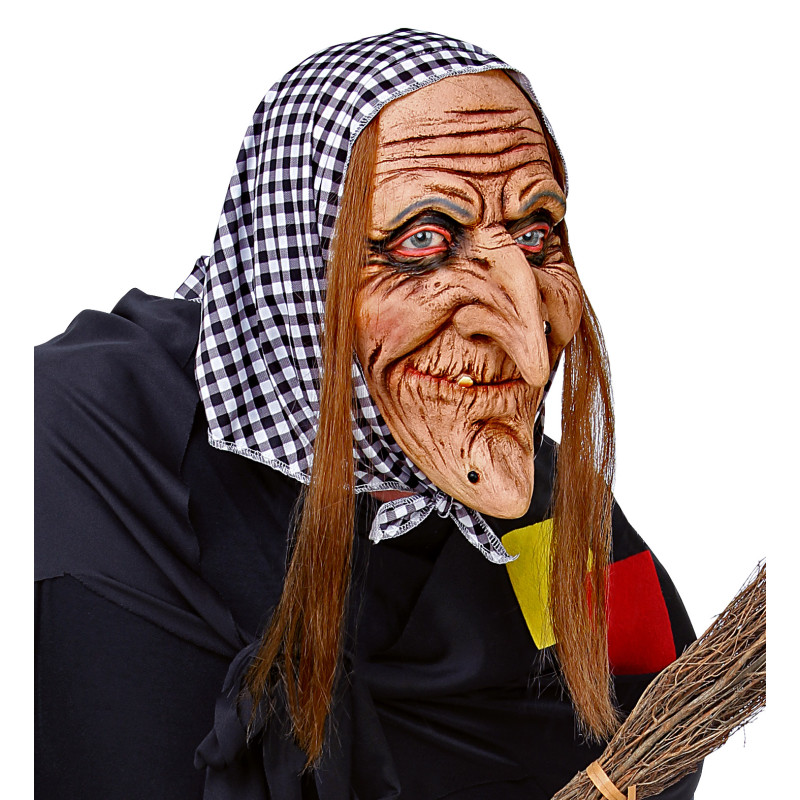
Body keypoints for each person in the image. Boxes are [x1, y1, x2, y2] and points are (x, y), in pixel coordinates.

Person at [35, 29, 701, 799]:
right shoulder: (82, 449)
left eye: (534, 233)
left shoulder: (534, 511)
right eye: (424, 239)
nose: (526, 332)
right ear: (295, 260)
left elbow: (649, 690)